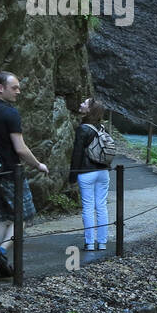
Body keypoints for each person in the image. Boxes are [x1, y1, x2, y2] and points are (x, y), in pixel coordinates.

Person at [0, 71, 47, 278]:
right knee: (20, 217)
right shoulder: (10, 113)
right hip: (9, 172)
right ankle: (2, 251)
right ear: (0, 88)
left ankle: (1, 266)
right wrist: (38, 164)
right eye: (14, 87)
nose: (18, 91)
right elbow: (21, 148)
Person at [69, 99, 111, 252]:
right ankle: (102, 242)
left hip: (87, 172)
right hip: (103, 172)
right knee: (101, 206)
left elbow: (77, 154)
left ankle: (90, 243)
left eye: (84, 104)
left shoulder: (83, 129)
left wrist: (72, 176)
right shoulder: (101, 128)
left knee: (88, 207)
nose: (80, 104)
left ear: (90, 110)